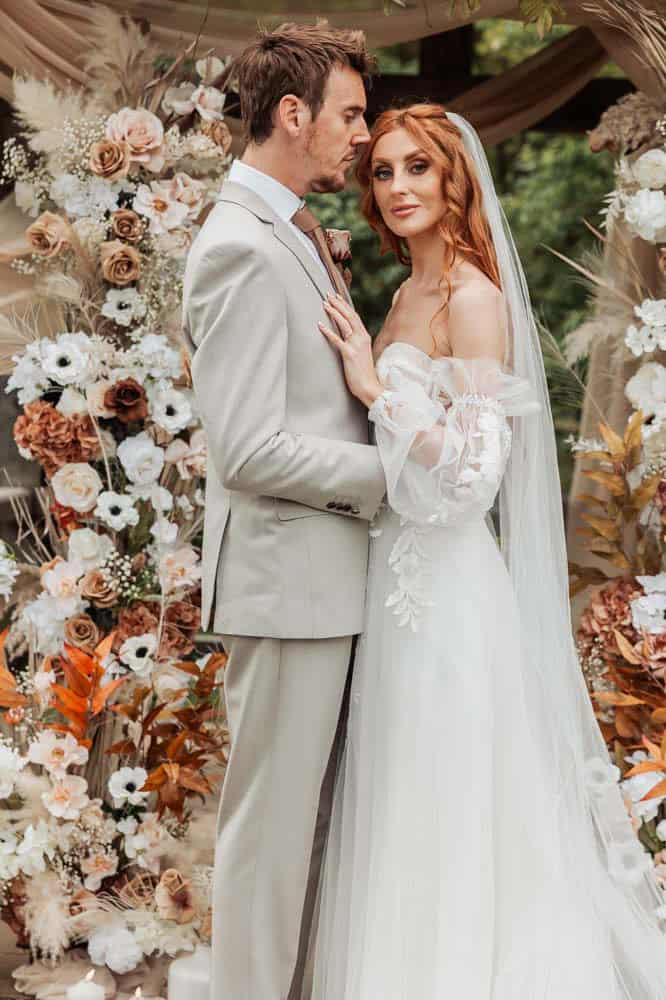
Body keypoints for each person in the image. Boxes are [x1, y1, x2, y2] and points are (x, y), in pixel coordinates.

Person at [309, 104, 666, 999]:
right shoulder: (404, 295)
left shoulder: (474, 298)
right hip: (392, 574)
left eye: (417, 169)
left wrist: (375, 392)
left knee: (454, 785)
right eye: (383, 171)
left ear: (453, 178)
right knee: (401, 789)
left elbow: (475, 474)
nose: (396, 188)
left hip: (452, 585)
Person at [181, 23, 386, 1000]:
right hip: (286, 584)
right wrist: (395, 472)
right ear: (293, 114)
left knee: (309, 825)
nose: (362, 134)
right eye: (349, 114)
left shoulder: (291, 233)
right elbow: (250, 446)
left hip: (323, 579)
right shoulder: (239, 248)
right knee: (270, 832)